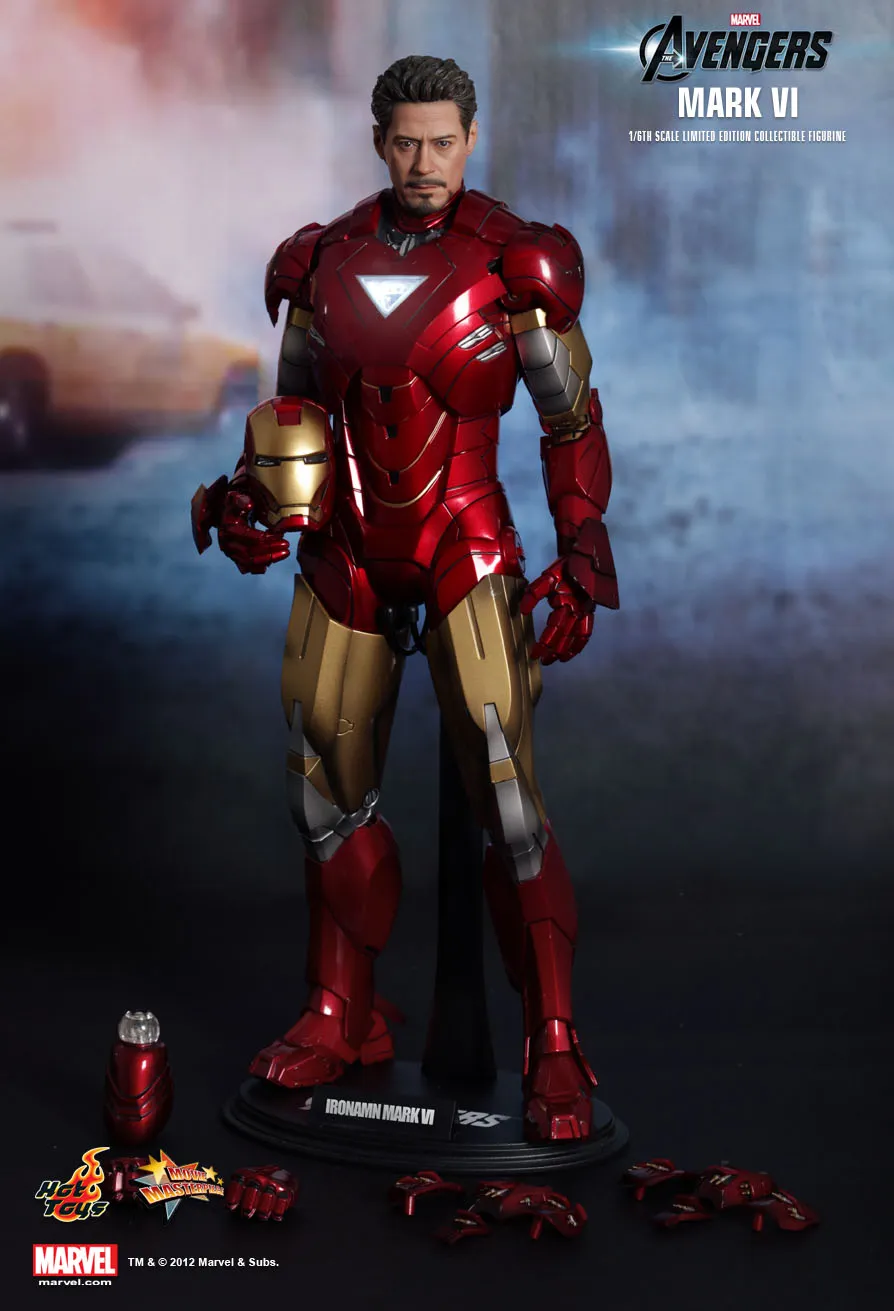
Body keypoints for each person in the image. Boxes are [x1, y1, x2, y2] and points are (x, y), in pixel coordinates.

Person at [206, 54, 619, 1141]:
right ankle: (341, 1012)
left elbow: (572, 420)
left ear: (470, 138)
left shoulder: (514, 262)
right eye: (405, 142)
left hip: (463, 542)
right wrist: (249, 496)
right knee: (320, 787)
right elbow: (292, 413)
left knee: (508, 795)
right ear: (380, 141)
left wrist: (583, 545)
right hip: (347, 549)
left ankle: (554, 1043)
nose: (423, 162)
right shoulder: (323, 261)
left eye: (442, 141)